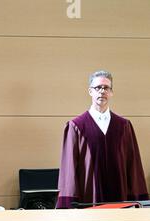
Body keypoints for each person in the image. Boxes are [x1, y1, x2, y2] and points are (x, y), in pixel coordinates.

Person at [57, 70, 148, 208]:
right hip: (88, 200)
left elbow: (133, 165)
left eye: (106, 88)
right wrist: (68, 205)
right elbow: (69, 170)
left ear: (111, 92)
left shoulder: (123, 126)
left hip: (120, 200)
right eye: (98, 87)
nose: (102, 91)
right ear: (90, 91)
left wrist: (137, 199)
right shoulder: (76, 126)